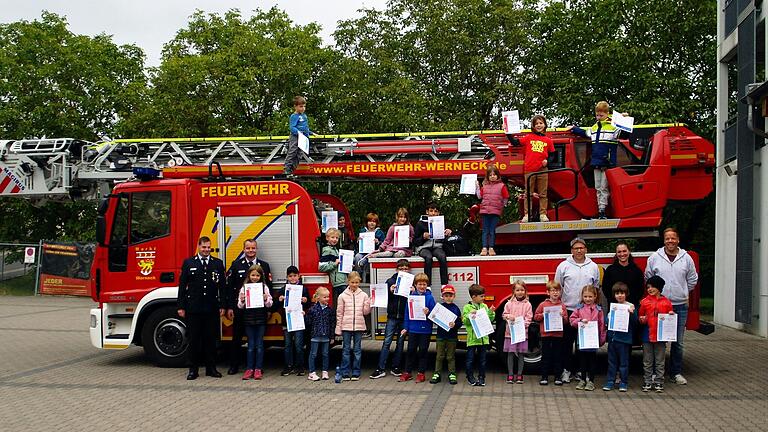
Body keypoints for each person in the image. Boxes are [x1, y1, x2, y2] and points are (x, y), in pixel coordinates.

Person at [644, 227, 698, 385]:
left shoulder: (686, 258)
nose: (670, 241)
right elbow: (649, 277)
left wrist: (682, 292)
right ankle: (656, 373)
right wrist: (657, 296)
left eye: (673, 238)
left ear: (678, 240)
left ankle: (675, 373)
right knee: (658, 341)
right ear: (664, 240)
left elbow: (692, 279)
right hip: (659, 306)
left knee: (678, 342)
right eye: (667, 238)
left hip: (679, 306)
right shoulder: (655, 257)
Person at [177, 236, 226, 380]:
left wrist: (222, 305)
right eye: (204, 247)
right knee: (194, 340)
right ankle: (193, 370)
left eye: (208, 247)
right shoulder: (189, 263)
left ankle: (211, 369)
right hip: (194, 308)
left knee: (211, 340)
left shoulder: (217, 263)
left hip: (211, 308)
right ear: (198, 247)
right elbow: (182, 287)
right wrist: (181, 306)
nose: (206, 250)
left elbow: (222, 287)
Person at [568, 101, 626, 219]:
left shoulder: (613, 127)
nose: (599, 117)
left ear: (607, 114)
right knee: (598, 187)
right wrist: (574, 128)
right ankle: (601, 210)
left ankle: (603, 211)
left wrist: (624, 120)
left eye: (601, 115)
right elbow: (585, 133)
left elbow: (625, 134)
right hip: (596, 162)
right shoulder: (594, 127)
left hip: (607, 162)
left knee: (604, 187)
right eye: (597, 115)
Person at [554, 237, 600, 383]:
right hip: (569, 310)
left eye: (581, 248)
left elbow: (596, 287)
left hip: (587, 312)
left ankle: (581, 372)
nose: (579, 250)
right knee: (566, 344)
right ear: (571, 250)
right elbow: (558, 287)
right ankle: (566, 371)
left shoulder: (593, 266)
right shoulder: (563, 266)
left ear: (586, 249)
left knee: (583, 345)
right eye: (576, 248)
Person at [226, 239, 272, 376]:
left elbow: (268, 287)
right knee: (237, 338)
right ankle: (234, 365)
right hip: (241, 310)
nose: (250, 251)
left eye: (253, 248)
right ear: (244, 249)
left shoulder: (264, 265)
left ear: (256, 249)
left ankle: (258, 367)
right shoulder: (236, 264)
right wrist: (230, 307)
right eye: (248, 248)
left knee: (257, 342)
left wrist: (269, 309)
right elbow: (230, 288)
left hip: (259, 311)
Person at [507, 115, 555, 222]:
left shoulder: (548, 140)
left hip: (543, 169)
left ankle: (543, 214)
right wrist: (507, 132)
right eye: (536, 123)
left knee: (543, 193)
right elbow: (515, 143)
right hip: (529, 168)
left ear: (545, 125)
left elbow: (552, 155)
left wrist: (548, 161)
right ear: (533, 126)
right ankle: (527, 214)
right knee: (528, 193)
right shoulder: (528, 137)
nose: (539, 125)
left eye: (541, 123)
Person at [370, 259, 410, 379]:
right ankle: (380, 368)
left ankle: (396, 367)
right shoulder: (390, 281)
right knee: (387, 342)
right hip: (392, 317)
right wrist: (389, 290)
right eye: (401, 268)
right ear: (396, 269)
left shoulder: (410, 282)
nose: (403, 270)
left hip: (403, 318)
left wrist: (412, 292)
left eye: (405, 268)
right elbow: (381, 296)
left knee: (400, 343)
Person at [235, 264, 273, 380]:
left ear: (261, 276)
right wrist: (242, 300)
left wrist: (266, 298)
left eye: (257, 275)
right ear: (249, 275)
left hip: (261, 319)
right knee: (251, 345)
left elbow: (269, 304)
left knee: (260, 345)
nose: (255, 277)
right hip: (249, 319)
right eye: (253, 275)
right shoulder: (245, 288)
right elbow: (240, 306)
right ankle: (249, 369)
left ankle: (258, 369)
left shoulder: (264, 287)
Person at [638, 275, 674, 393]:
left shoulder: (666, 303)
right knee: (647, 360)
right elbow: (640, 316)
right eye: (648, 287)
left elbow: (670, 316)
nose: (650, 289)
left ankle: (659, 381)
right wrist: (642, 319)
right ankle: (647, 381)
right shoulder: (644, 302)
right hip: (647, 335)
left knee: (660, 360)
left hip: (660, 336)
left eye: (653, 286)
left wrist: (671, 315)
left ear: (659, 288)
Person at [399, 273, 436, 383]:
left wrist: (428, 313)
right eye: (420, 284)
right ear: (415, 285)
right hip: (413, 329)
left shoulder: (430, 298)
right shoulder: (411, 297)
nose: (422, 286)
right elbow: (407, 313)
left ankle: (421, 373)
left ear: (427, 285)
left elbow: (434, 315)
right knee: (410, 351)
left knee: (423, 351)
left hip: (425, 330)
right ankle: (407, 372)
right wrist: (405, 327)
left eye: (424, 284)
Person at [568, 285, 606, 391]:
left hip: (593, 341)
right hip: (582, 339)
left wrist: (601, 339)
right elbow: (572, 320)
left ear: (595, 297)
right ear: (582, 297)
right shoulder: (579, 308)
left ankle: (591, 381)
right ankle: (583, 379)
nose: (588, 299)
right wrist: (580, 320)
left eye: (590, 296)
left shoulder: (599, 310)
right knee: (582, 360)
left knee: (592, 361)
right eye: (585, 296)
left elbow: (602, 325)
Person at [335, 271, 371, 381]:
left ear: (359, 282)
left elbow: (365, 312)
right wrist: (338, 327)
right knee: (346, 350)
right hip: (346, 326)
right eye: (352, 282)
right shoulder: (342, 296)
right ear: (348, 282)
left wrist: (369, 304)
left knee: (357, 350)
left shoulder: (364, 295)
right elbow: (339, 313)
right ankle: (345, 372)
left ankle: (356, 372)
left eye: (356, 282)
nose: (354, 284)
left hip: (359, 326)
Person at [602, 282, 638, 392]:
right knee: (612, 362)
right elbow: (608, 322)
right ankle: (610, 381)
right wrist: (608, 318)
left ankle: (623, 382)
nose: (620, 295)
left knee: (624, 363)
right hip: (613, 340)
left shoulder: (630, 306)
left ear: (626, 294)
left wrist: (631, 313)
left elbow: (634, 322)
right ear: (614, 295)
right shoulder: (613, 307)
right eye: (617, 293)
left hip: (624, 340)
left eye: (622, 293)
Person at [533, 281, 568, 386]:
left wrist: (563, 316)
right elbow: (536, 317)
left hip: (558, 334)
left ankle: (558, 376)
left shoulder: (562, 305)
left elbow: (566, 321)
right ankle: (544, 377)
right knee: (546, 356)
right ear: (548, 292)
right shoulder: (543, 304)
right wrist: (543, 315)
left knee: (558, 356)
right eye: (553, 291)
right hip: (546, 334)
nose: (555, 293)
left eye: (557, 290)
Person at [462, 284, 496, 386]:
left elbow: (489, 320)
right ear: (473, 297)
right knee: (470, 360)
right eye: (481, 296)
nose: (483, 298)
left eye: (483, 296)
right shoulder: (467, 307)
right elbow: (465, 321)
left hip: (483, 339)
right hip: (472, 339)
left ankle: (482, 377)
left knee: (483, 360)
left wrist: (491, 312)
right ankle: (470, 376)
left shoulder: (484, 306)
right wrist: (470, 315)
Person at [278, 265, 309, 376]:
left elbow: (308, 304)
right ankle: (288, 366)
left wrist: (305, 301)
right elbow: (277, 306)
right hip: (287, 321)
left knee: (299, 345)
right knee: (287, 345)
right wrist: (280, 299)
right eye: (290, 276)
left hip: (298, 321)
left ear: (299, 276)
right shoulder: (283, 289)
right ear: (287, 277)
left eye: (295, 276)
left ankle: (300, 366)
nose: (293, 278)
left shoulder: (303, 289)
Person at [413, 202, 452, 286]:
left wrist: (448, 233)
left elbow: (446, 239)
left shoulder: (442, 222)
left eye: (436, 211)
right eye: (431, 211)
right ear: (427, 212)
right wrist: (423, 237)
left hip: (437, 247)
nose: (433, 213)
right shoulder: (420, 223)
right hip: (424, 248)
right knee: (428, 257)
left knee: (442, 257)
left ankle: (444, 285)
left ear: (439, 213)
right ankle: (427, 286)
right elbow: (415, 241)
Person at [430, 284, 462, 385]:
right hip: (440, 336)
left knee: (450, 356)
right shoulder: (439, 308)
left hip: (452, 337)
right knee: (439, 356)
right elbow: (435, 320)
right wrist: (432, 316)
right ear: (442, 297)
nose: (448, 297)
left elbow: (460, 322)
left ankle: (452, 373)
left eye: (450, 295)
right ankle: (437, 373)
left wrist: (455, 324)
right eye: (446, 295)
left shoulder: (456, 309)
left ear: (454, 296)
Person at [502, 280, 533, 384]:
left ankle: (519, 375)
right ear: (514, 291)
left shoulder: (528, 304)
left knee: (521, 354)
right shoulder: (509, 303)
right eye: (518, 290)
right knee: (510, 353)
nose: (520, 292)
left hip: (522, 333)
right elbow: (504, 314)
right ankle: (510, 374)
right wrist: (508, 316)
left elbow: (529, 318)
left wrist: (523, 325)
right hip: (510, 334)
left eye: (522, 290)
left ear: (525, 291)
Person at [476, 164, 509, 256]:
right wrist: (477, 187)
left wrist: (501, 206)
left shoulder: (502, 186)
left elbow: (506, 197)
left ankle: (491, 248)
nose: (492, 176)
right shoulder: (484, 186)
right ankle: (484, 248)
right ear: (488, 176)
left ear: (498, 175)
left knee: (492, 230)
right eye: (490, 175)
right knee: (485, 230)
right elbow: (479, 196)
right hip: (485, 211)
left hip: (495, 212)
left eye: (494, 174)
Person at [602, 242, 644, 310]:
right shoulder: (610, 270)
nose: (622, 254)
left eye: (624, 251)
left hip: (632, 307)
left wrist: (627, 303)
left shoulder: (636, 270)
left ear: (629, 252)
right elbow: (605, 289)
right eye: (619, 252)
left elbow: (640, 290)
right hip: (615, 307)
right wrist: (617, 302)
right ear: (616, 254)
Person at [306, 287, 336, 381]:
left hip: (326, 336)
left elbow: (332, 324)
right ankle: (312, 372)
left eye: (328, 297)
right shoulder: (312, 309)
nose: (327, 299)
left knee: (325, 354)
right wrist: (305, 316)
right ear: (318, 297)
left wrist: (332, 337)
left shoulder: (329, 310)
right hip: (315, 336)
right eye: (324, 297)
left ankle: (325, 371)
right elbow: (308, 323)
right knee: (313, 354)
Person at [284, 95, 316, 177]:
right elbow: (292, 128)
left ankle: (292, 170)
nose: (303, 108)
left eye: (304, 106)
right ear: (295, 106)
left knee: (299, 154)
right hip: (296, 137)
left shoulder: (304, 116)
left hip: (303, 138)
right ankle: (287, 168)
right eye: (301, 106)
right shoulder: (294, 116)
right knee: (292, 151)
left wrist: (311, 133)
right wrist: (299, 133)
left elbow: (305, 128)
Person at [354, 212, 386, 281]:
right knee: (357, 257)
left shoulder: (380, 232)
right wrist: (358, 241)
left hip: (374, 253)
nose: (371, 223)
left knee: (369, 258)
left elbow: (384, 245)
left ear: (376, 223)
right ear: (366, 222)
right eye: (370, 221)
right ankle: (358, 275)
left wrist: (378, 242)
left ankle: (368, 276)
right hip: (363, 252)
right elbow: (357, 246)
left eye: (374, 221)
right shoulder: (362, 231)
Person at [318, 228, 347, 302]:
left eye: (337, 238)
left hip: (343, 281)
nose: (335, 239)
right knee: (339, 304)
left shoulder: (335, 250)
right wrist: (335, 264)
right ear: (327, 238)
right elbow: (321, 267)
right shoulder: (327, 250)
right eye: (332, 237)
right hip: (337, 283)